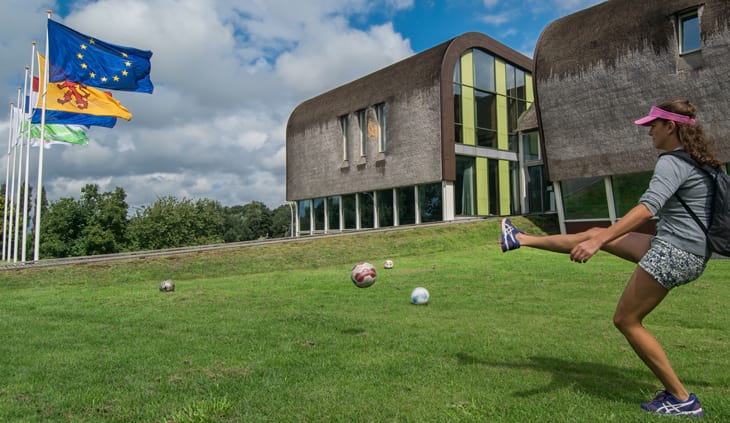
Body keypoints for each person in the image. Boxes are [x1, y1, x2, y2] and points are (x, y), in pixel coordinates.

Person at [500, 99, 721, 417]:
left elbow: (648, 207)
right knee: (592, 233)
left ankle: (682, 398)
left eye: (652, 126)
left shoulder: (672, 162)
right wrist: (600, 238)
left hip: (674, 252)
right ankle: (518, 239)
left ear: (670, 127)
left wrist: (603, 239)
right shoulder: (699, 162)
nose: (649, 133)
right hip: (683, 249)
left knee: (626, 320)